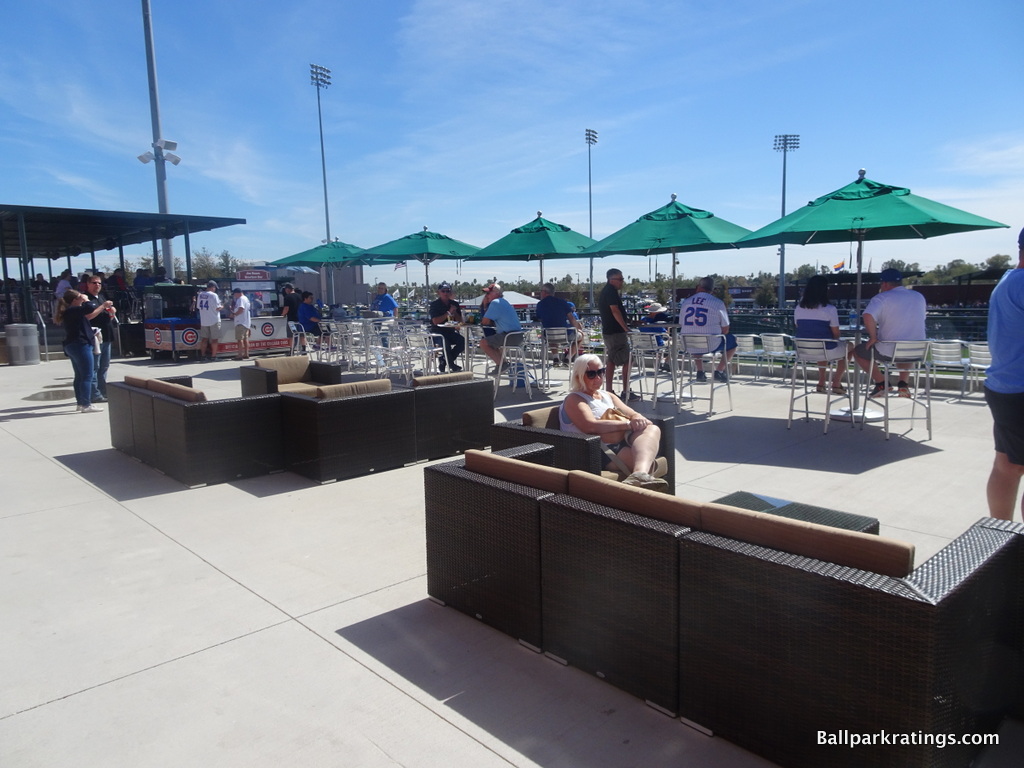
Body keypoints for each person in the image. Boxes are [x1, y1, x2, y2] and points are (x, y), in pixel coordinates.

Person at [559, 354, 667, 491]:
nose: (598, 378)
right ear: (578, 376)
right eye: (591, 374)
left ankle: (639, 476)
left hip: (619, 441)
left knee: (652, 429)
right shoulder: (575, 399)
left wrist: (638, 418)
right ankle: (640, 483)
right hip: (595, 449)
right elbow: (589, 426)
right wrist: (628, 424)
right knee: (650, 465)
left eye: (600, 372)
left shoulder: (607, 395)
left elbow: (631, 413)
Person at [984, 228, 1024, 521]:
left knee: (1006, 465)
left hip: (1005, 386)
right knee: (1009, 466)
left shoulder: (1008, 280)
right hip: (1019, 388)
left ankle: (1000, 538)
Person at [853, 268, 927, 398]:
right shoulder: (918, 296)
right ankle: (903, 385)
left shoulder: (882, 298)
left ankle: (881, 383)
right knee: (905, 348)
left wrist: (873, 337)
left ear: (885, 284)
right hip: (917, 350)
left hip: (889, 350)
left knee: (858, 351)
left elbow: (868, 315)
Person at [55, 289, 113, 414]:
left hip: (73, 345)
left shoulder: (71, 312)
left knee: (80, 376)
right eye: (80, 298)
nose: (83, 299)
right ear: (75, 300)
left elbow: (90, 312)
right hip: (80, 345)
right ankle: (86, 404)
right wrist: (87, 299)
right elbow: (90, 307)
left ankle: (81, 402)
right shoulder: (73, 310)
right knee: (87, 375)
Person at [794, 275, 852, 394]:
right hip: (826, 349)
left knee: (821, 345)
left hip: (803, 352)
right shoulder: (830, 309)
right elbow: (836, 334)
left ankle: (821, 382)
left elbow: (798, 327)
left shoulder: (798, 308)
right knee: (850, 346)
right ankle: (836, 382)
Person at [678, 276, 737, 382]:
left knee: (695, 337)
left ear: (698, 287)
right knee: (732, 341)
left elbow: (681, 323)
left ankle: (700, 372)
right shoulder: (717, 302)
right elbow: (725, 329)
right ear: (712, 290)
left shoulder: (686, 302)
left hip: (687, 343)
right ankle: (719, 371)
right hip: (711, 343)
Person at [598, 268, 639, 401]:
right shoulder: (611, 292)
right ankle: (626, 391)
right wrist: (625, 328)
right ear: (611, 280)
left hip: (609, 331)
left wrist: (628, 322)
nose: (622, 282)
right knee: (628, 359)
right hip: (616, 332)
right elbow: (615, 311)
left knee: (611, 360)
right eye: (620, 279)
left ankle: (609, 390)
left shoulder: (607, 291)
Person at [83, 273, 116, 402]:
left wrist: (112, 312)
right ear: (88, 284)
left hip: (107, 334)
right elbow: (89, 316)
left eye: (99, 283)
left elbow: (107, 313)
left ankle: (103, 391)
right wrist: (103, 306)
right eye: (94, 283)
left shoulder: (101, 296)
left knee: (104, 366)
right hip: (94, 336)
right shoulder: (86, 299)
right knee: (94, 367)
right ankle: (94, 394)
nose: (97, 285)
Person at [535, 282, 583, 362]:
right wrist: (579, 329)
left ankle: (555, 357)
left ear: (544, 292)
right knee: (581, 337)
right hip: (565, 336)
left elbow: (539, 318)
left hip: (548, 336)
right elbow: (572, 319)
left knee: (551, 333)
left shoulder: (540, 304)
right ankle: (568, 358)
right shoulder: (562, 302)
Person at [480, 283, 523, 370]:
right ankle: (501, 365)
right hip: (517, 336)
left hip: (509, 336)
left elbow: (485, 321)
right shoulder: (504, 302)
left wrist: (484, 306)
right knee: (492, 344)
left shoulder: (495, 302)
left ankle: (502, 365)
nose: (486, 295)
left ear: (496, 293)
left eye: (488, 293)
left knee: (483, 343)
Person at [428, 281, 465, 372]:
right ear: (439, 292)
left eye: (447, 291)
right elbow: (435, 321)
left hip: (450, 331)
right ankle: (451, 365)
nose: (445, 293)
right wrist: (448, 313)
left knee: (462, 341)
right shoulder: (435, 305)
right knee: (446, 343)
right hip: (437, 332)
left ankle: (444, 361)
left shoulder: (454, 304)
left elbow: (460, 321)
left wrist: (455, 312)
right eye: (443, 291)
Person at [197, 281, 223, 361]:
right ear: (212, 287)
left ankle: (203, 356)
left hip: (204, 320)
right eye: (214, 288)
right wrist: (222, 306)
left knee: (204, 339)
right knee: (214, 339)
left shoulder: (200, 295)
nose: (215, 289)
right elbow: (217, 307)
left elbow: (198, 307)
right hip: (214, 319)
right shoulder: (213, 295)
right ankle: (213, 356)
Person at [230, 287, 252, 360]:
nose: (234, 296)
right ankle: (246, 353)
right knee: (245, 339)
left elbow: (241, 309)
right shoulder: (246, 298)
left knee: (240, 339)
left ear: (238, 293)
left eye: (235, 294)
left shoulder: (240, 299)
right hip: (246, 322)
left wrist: (234, 314)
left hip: (240, 322)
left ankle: (240, 355)